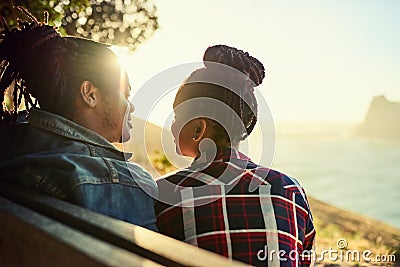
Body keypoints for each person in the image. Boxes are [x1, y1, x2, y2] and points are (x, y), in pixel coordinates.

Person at [155, 45, 315, 266]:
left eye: (175, 117)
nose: (171, 126)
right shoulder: (290, 190)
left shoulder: (163, 193)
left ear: (197, 129)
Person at [0, 8, 158, 231]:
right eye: (126, 94)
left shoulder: (11, 143)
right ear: (90, 94)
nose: (131, 106)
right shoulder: (121, 181)